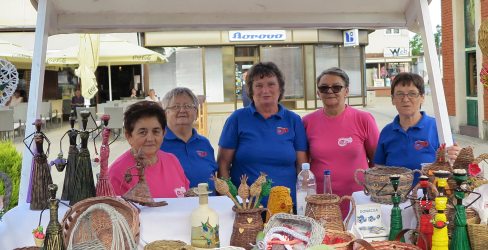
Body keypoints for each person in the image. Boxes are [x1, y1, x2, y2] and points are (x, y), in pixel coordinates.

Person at [217, 62, 307, 205]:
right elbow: (223, 165)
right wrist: (231, 201)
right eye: (259, 85)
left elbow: (302, 169)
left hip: (287, 207)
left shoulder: (294, 120)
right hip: (246, 209)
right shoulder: (237, 119)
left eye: (271, 84)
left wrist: (303, 204)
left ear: (280, 89)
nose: (265, 90)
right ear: (251, 91)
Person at [303, 67, 379, 217]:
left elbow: (376, 161)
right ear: (318, 93)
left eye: (336, 87)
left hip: (358, 200)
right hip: (321, 202)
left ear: (346, 91)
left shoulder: (364, 119)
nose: (330, 91)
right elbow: (303, 164)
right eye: (324, 88)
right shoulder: (307, 122)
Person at [373, 72, 460, 183]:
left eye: (412, 94)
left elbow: (453, 164)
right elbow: (379, 169)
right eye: (399, 94)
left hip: (430, 196)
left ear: (422, 98)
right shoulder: (387, 132)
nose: (405, 99)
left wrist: (457, 158)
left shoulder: (438, 129)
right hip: (395, 197)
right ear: (393, 100)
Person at [109, 101, 190, 198]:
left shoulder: (173, 161)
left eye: (156, 131)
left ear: (163, 134)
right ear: (129, 136)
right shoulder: (116, 173)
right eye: (143, 132)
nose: (150, 138)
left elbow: (186, 200)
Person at [160, 88, 218, 193]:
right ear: (165, 114)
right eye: (176, 106)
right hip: (172, 208)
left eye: (187, 106)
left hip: (207, 206)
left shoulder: (204, 143)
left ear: (196, 113)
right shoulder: (157, 144)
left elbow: (216, 178)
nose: (182, 110)